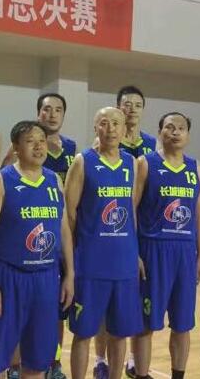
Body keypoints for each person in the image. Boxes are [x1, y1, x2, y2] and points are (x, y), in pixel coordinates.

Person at [0, 120, 75, 379]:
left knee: (38, 362)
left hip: (46, 278)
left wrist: (70, 274)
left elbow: (64, 230)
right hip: (9, 278)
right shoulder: (1, 181)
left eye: (42, 141)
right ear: (16, 148)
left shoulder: (54, 181)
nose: (39, 146)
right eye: (31, 141)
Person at [66, 108, 144, 379]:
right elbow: (70, 211)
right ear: (96, 128)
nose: (110, 129)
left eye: (116, 124)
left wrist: (135, 252)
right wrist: (74, 252)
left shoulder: (131, 163)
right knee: (83, 332)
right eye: (104, 123)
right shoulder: (83, 161)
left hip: (123, 262)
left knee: (120, 332)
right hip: (91, 262)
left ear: (124, 129)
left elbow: (130, 210)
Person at [132, 112, 200, 379]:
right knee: (146, 323)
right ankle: (141, 374)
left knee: (183, 324)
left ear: (188, 134)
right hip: (153, 250)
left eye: (181, 128)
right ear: (160, 132)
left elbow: (199, 217)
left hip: (185, 253)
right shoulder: (145, 163)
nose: (175, 132)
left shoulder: (198, 170)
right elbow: (131, 208)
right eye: (169, 127)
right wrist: (134, 252)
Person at [95, 85, 156, 379]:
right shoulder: (104, 141)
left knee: (136, 302)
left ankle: (134, 359)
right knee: (107, 302)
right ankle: (100, 359)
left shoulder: (152, 145)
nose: (131, 109)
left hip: (146, 230)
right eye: (126, 104)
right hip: (113, 230)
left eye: (137, 105)